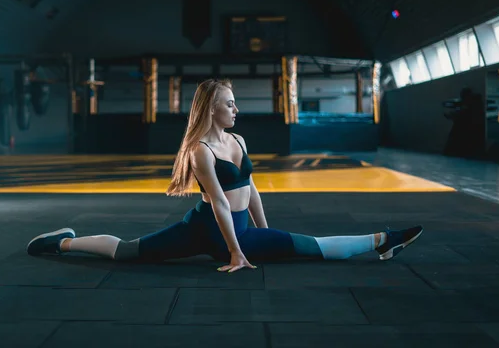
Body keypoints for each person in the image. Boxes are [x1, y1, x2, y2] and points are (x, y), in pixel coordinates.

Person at [27, 79, 423, 272]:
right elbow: (217, 200)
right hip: (206, 229)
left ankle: (383, 241)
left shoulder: (239, 139)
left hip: (239, 228)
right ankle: (61, 244)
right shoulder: (199, 149)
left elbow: (250, 189)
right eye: (230, 105)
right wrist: (236, 251)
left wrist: (265, 232)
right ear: (212, 110)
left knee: (309, 247)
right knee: (129, 253)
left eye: (235, 104)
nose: (236, 110)